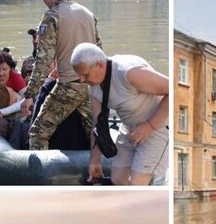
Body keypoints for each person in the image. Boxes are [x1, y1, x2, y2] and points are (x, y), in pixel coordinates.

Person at [20, 0, 101, 150]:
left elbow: (43, 59)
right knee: (94, 132)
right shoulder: (88, 14)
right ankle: (99, 171)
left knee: (38, 132)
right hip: (90, 86)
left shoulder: (52, 16)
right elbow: (99, 51)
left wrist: (29, 94)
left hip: (68, 86)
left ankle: (38, 177)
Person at [70, 42, 168, 185]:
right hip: (129, 129)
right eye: (79, 75)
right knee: (118, 180)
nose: (82, 80)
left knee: (136, 183)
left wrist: (149, 126)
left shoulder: (130, 72)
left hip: (157, 128)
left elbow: (173, 90)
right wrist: (95, 160)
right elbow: (98, 125)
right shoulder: (94, 86)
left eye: (85, 74)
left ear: (100, 65)